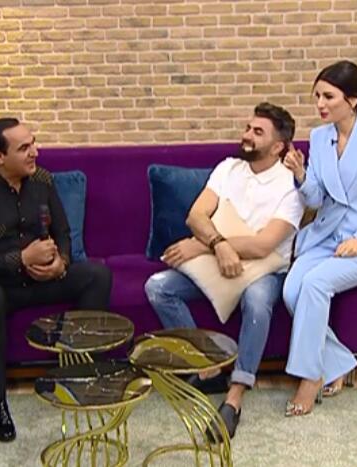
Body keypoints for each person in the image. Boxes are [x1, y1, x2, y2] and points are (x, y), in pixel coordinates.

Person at [144, 102, 304, 438]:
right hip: (218, 259)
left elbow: (263, 246)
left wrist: (205, 245)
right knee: (158, 287)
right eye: (247, 128)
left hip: (265, 269)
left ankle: (235, 396)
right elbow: (196, 215)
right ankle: (208, 369)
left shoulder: (290, 185)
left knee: (256, 301)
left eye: (257, 132)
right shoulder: (228, 168)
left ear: (278, 146)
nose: (246, 135)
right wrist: (218, 246)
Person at [0, 118, 112, 442]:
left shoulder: (42, 180)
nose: (35, 152)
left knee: (97, 275)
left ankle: (80, 379)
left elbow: (62, 232)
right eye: (24, 148)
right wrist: (20, 259)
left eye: (33, 143)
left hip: (40, 280)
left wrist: (61, 264)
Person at [282, 60, 357, 416]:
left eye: (328, 96)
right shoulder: (320, 138)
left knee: (315, 284)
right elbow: (318, 198)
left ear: (352, 100)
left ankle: (309, 377)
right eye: (317, 96)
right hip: (326, 236)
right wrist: (301, 174)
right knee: (291, 291)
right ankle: (338, 362)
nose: (320, 104)